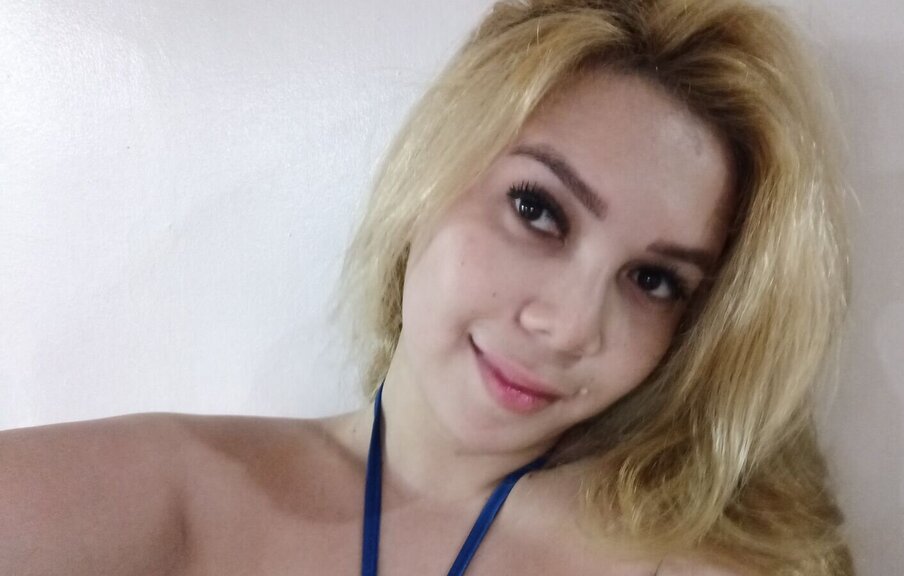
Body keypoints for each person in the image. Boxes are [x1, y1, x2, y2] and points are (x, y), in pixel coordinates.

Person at [0, 0, 852, 574]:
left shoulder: (683, 563)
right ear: (430, 178)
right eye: (537, 210)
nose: (568, 325)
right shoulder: (178, 490)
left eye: (654, 280)